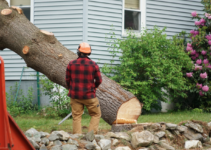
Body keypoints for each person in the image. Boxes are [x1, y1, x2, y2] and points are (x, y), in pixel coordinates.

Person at [65, 42, 102, 134]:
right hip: (90, 96)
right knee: (96, 114)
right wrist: (95, 87)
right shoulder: (93, 65)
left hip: (75, 96)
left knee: (76, 116)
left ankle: (77, 138)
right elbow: (99, 80)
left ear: (78, 51)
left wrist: (71, 89)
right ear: (89, 52)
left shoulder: (71, 64)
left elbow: (67, 79)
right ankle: (91, 136)